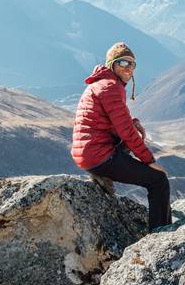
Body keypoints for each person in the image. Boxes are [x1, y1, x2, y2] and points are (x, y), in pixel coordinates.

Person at [71, 42, 171, 230]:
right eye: (123, 63)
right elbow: (125, 131)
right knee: (158, 181)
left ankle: (100, 174)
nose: (128, 68)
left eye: (132, 64)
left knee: (132, 135)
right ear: (111, 64)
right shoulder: (111, 87)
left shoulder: (101, 83)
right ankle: (162, 232)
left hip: (89, 153)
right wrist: (149, 161)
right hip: (99, 156)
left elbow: (117, 120)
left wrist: (133, 121)